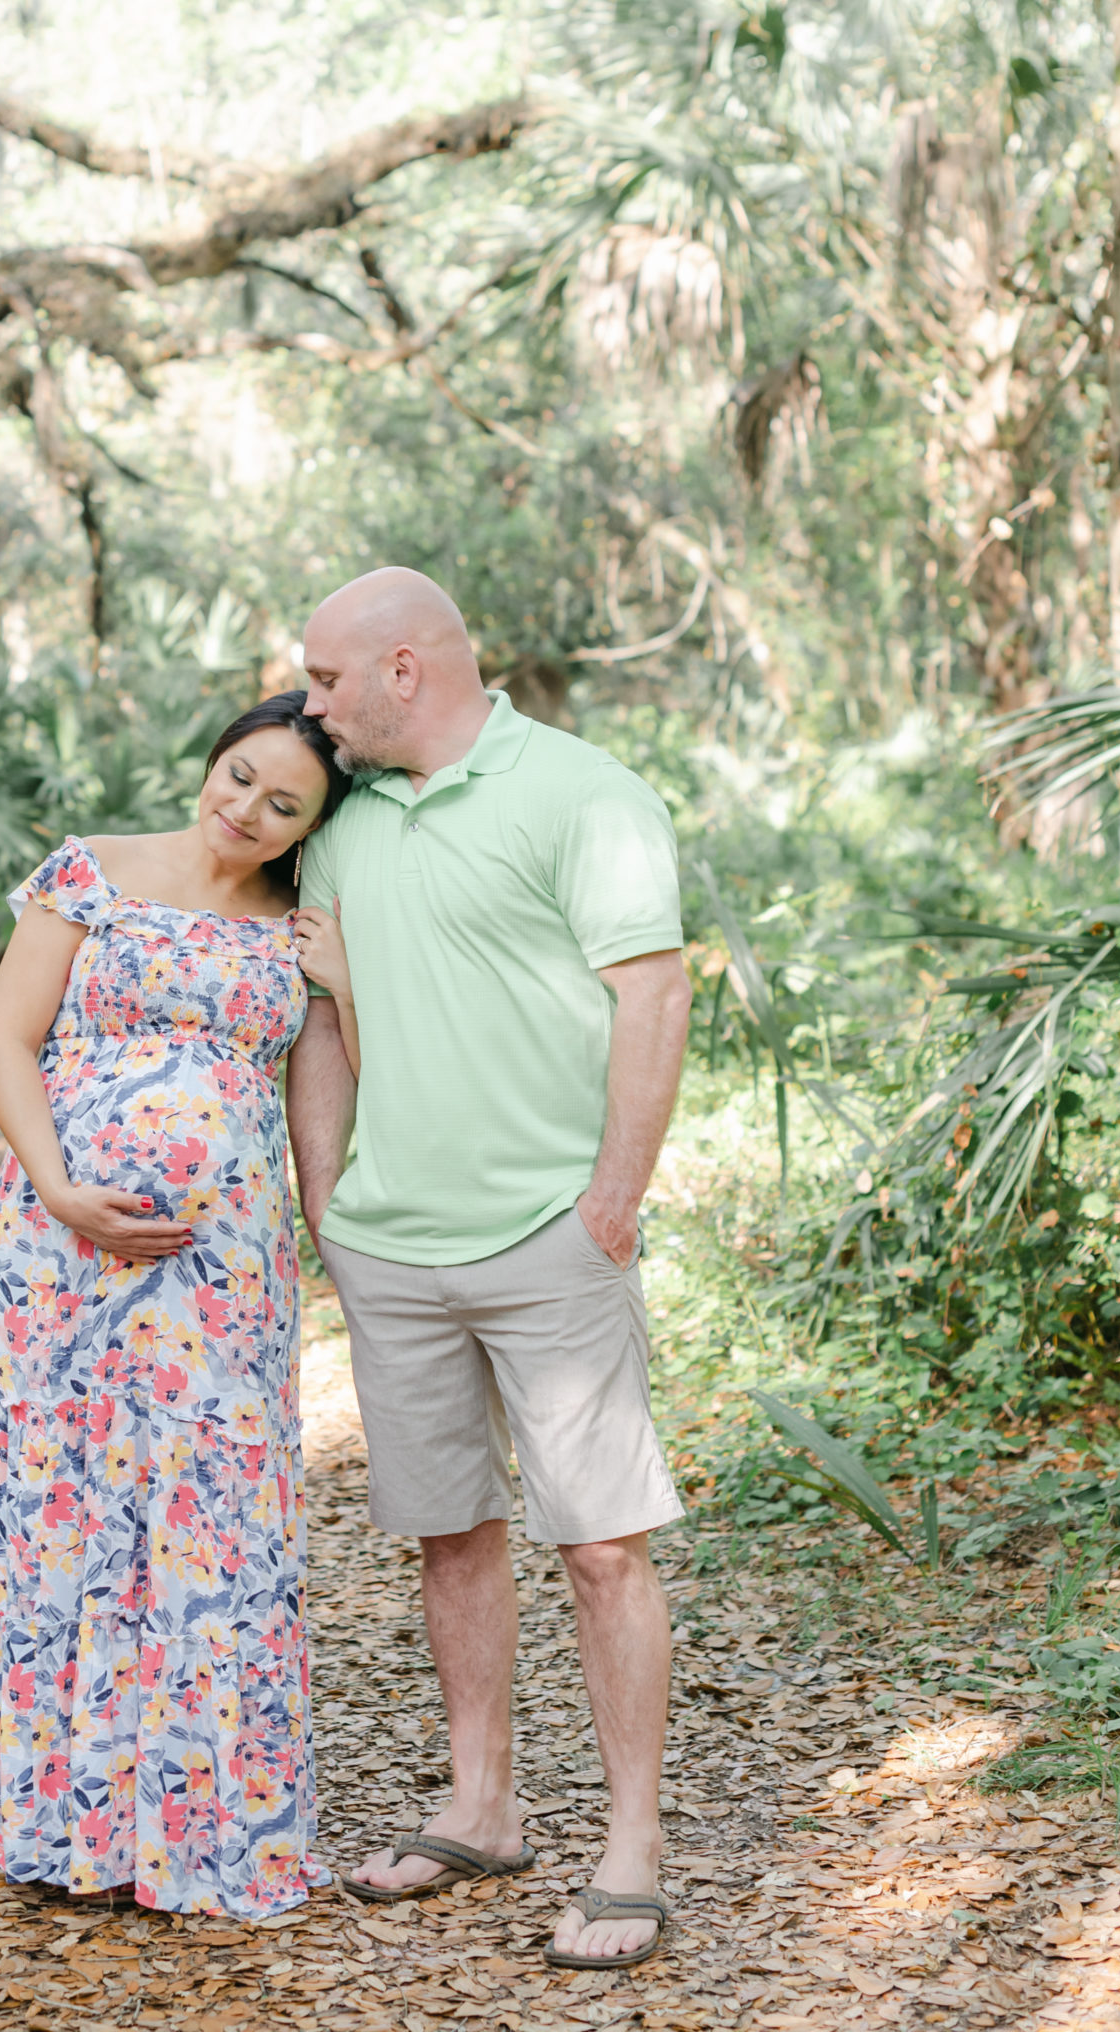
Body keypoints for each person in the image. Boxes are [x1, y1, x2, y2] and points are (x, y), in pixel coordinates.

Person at [287, 569, 692, 1974]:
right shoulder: (341, 826)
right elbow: (327, 1021)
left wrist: (611, 1202)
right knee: (449, 1532)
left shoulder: (583, 794)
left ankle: (630, 1843)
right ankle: (482, 1805)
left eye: (326, 680)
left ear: (405, 668)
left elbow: (653, 989)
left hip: (547, 1236)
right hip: (391, 1248)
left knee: (596, 1543)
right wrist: (326, 1203)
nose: (308, 705)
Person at [0, 691, 353, 1919]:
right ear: (213, 759)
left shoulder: (300, 936)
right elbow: (3, 1040)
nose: (244, 809)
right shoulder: (93, 871)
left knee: (209, 1520)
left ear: (304, 830)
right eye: (238, 776)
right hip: (60, 1256)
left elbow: (319, 1110)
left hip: (220, 1278)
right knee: (60, 1506)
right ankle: (61, 1826)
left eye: (280, 805)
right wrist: (64, 1191)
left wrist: (332, 1250)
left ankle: (206, 1834)